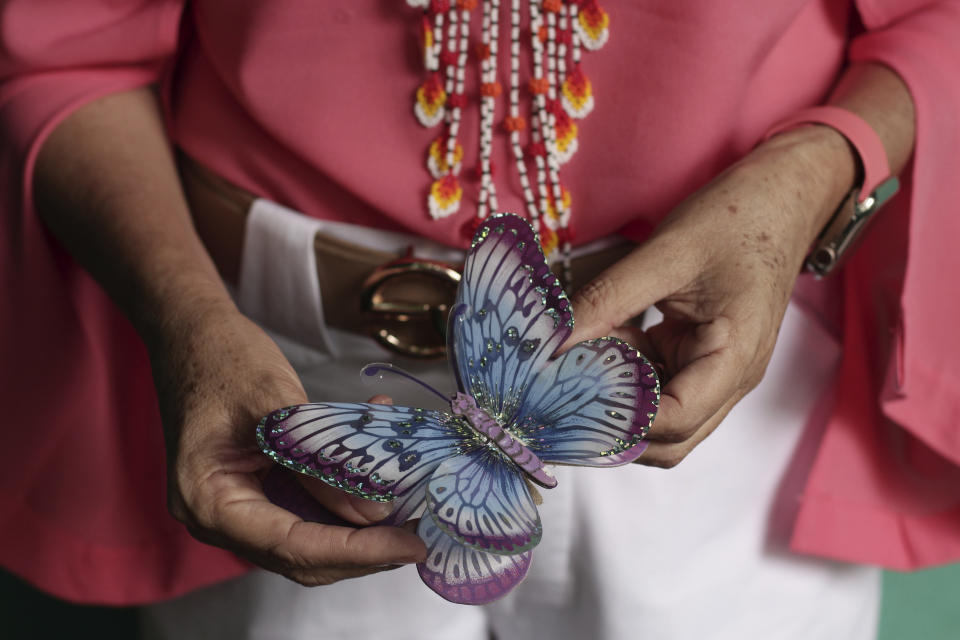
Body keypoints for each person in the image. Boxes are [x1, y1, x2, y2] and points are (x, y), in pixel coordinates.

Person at [1, 1, 958, 638]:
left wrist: (818, 170)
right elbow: (69, 46)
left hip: (718, 364)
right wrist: (185, 321)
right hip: (261, 366)